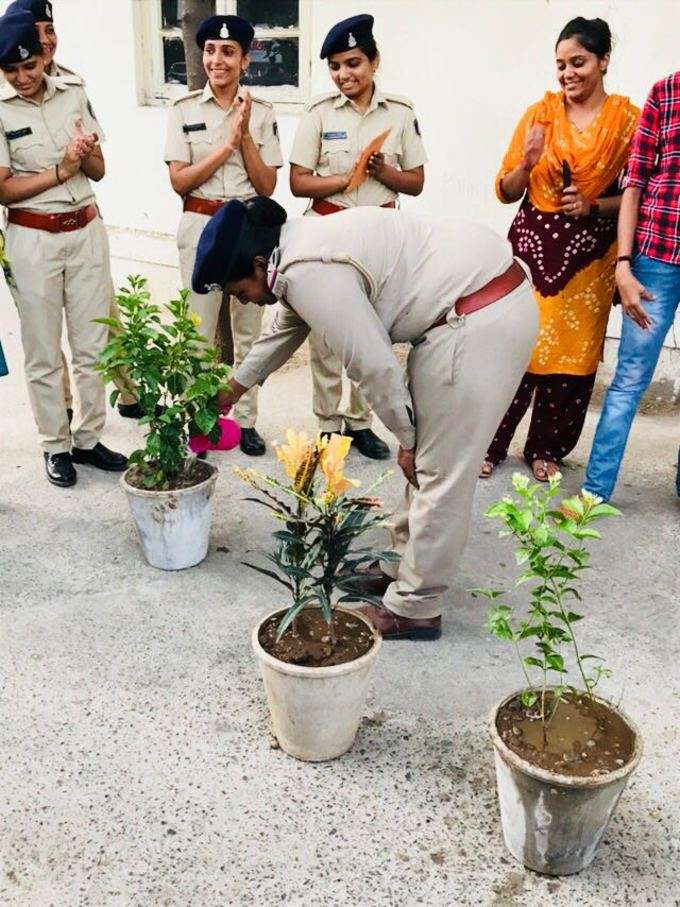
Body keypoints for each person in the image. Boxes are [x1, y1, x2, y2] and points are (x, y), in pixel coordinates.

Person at [192, 197, 539, 639]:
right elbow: (282, 332)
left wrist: (406, 439)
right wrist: (232, 389)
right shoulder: (299, 246)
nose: (249, 302)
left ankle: (416, 605)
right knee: (430, 464)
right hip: (469, 306)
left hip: (478, 318)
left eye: (242, 292)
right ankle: (400, 564)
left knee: (440, 471)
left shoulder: (309, 271)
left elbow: (374, 366)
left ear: (260, 265)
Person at [479, 18, 639, 482]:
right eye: (561, 65)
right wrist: (528, 163)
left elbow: (636, 193)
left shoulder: (628, 122)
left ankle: (546, 448)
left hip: (589, 255)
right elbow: (506, 190)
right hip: (531, 247)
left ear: (604, 60)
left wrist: (592, 206)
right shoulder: (539, 115)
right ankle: (489, 442)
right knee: (516, 345)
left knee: (573, 354)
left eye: (579, 62)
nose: (567, 73)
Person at [289, 14, 427, 461]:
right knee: (327, 339)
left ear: (373, 61)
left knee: (373, 333)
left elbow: (417, 181)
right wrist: (344, 181)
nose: (344, 75)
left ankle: (361, 423)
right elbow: (298, 182)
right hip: (328, 235)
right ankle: (329, 425)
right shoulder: (318, 113)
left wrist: (385, 172)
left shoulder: (401, 114)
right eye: (335, 66)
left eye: (353, 63)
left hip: (381, 245)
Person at [0, 9, 127, 486]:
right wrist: (58, 171)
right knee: (42, 350)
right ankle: (55, 445)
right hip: (33, 238)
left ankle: (89, 439)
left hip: (86, 231)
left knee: (93, 343)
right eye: (10, 70)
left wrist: (86, 151)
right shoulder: (0, 107)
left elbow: (97, 171)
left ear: (41, 56)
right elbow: (2, 189)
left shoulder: (73, 91)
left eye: (28, 66)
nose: (22, 77)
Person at [164, 14, 282, 456]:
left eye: (228, 52)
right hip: (201, 226)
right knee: (197, 330)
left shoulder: (262, 113)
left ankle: (246, 420)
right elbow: (180, 181)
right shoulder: (183, 110)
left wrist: (246, 136)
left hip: (250, 230)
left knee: (250, 331)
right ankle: (200, 418)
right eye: (211, 50)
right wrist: (226, 147)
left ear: (245, 59)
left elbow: (267, 186)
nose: (217, 60)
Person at [584, 69, 680, 502]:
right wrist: (623, 266)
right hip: (656, 260)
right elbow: (634, 185)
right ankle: (593, 495)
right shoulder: (666, 91)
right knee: (628, 382)